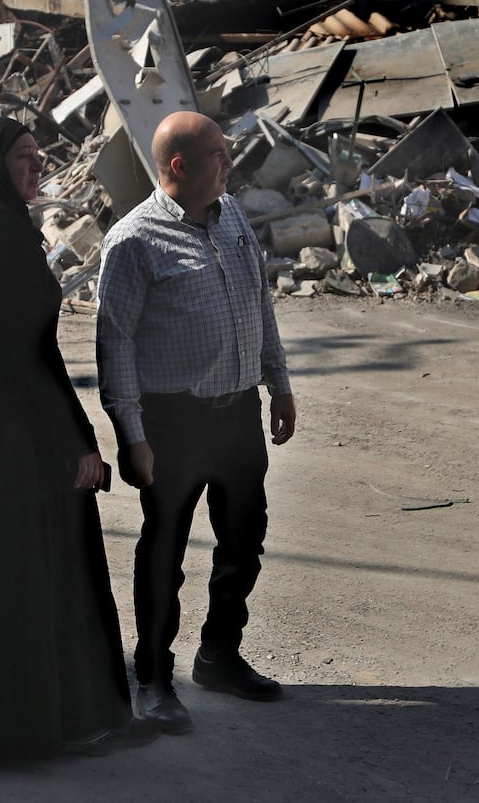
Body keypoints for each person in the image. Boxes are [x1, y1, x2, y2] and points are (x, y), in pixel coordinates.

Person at [0, 116, 152, 761]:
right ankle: (33, 723)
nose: (37, 168)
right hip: (15, 438)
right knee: (29, 571)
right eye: (23, 158)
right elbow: (22, 353)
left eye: (37, 155)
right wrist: (74, 439)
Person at [95, 110, 298, 735]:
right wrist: (133, 436)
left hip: (237, 413)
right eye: (218, 153)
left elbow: (258, 303)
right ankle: (154, 677)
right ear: (178, 165)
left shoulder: (232, 215)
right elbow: (115, 344)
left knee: (244, 541)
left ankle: (219, 656)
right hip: (174, 420)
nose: (229, 162)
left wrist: (279, 383)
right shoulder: (133, 242)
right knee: (166, 553)